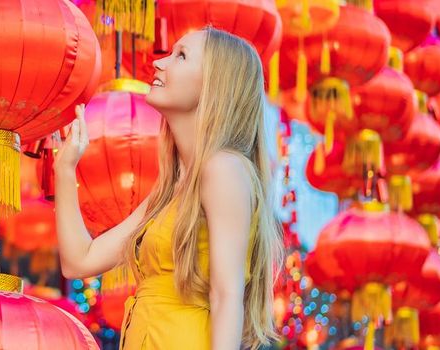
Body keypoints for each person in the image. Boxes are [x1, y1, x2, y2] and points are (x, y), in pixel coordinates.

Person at [54, 27, 283, 349]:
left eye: (181, 56)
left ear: (215, 84)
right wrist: (64, 169)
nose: (159, 63)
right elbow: (79, 261)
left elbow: (226, 296)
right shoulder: (170, 190)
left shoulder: (223, 168)